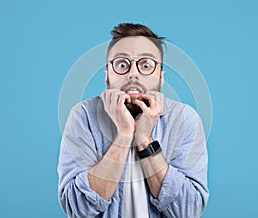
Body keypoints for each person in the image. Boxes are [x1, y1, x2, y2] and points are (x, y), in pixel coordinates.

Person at [58, 23, 209, 218]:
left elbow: (188, 210)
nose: (133, 73)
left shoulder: (185, 119)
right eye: (122, 64)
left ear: (161, 77)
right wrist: (124, 135)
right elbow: (77, 207)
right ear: (107, 77)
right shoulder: (83, 116)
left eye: (146, 65)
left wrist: (144, 138)